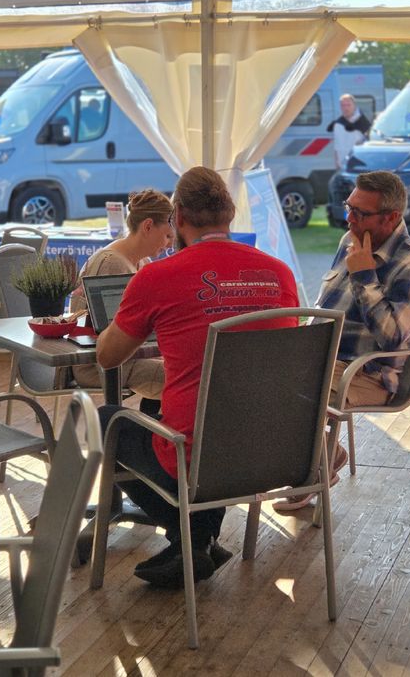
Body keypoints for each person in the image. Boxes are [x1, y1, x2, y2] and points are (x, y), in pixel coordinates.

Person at [96, 166, 299, 588]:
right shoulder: (280, 273)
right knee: (179, 412)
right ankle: (198, 540)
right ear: (230, 214)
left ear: (179, 218)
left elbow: (108, 356)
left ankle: (192, 535)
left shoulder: (157, 277)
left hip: (198, 458)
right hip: (276, 451)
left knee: (104, 419)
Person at [274, 171, 410, 512]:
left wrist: (364, 275)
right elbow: (326, 307)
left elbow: (392, 337)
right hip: (322, 358)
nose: (349, 219)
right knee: (257, 370)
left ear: (391, 217)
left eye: (359, 213)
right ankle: (324, 454)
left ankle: (313, 467)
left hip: (366, 374)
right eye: (349, 207)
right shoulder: (352, 240)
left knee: (288, 391)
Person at [69, 188, 174, 401]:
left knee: (183, 369)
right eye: (167, 236)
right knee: (186, 379)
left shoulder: (142, 262)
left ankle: (154, 418)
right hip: (98, 366)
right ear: (147, 226)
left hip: (126, 357)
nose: (170, 244)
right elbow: (112, 343)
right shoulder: (111, 263)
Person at [327, 94, 372, 221]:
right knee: (343, 197)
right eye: (343, 105)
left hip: (358, 167)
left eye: (348, 105)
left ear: (354, 105)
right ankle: (347, 221)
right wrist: (337, 163)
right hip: (343, 168)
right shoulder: (338, 124)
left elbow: (368, 144)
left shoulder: (363, 123)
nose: (345, 108)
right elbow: (336, 146)